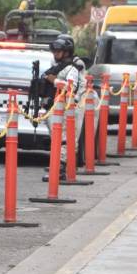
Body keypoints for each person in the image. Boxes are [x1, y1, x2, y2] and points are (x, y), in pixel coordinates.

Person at [45, 34, 86, 174]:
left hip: (71, 105)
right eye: (54, 51)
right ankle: (60, 163)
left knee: (67, 137)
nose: (55, 54)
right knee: (57, 136)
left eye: (59, 51)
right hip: (57, 105)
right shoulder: (57, 64)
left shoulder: (74, 66)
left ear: (67, 51)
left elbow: (71, 87)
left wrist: (54, 81)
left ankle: (62, 165)